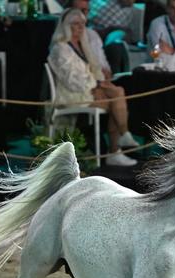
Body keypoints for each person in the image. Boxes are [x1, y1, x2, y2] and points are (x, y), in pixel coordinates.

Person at [48, 8, 139, 166]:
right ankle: (117, 146)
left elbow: (96, 70)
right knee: (117, 99)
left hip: (88, 91)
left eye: (83, 23)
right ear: (66, 26)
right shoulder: (59, 49)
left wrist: (99, 84)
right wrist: (95, 85)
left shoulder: (83, 46)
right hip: (71, 95)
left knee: (118, 92)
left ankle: (119, 144)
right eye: (76, 24)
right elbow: (71, 79)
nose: (80, 27)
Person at [67, 0, 114, 79]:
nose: (84, 14)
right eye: (81, 10)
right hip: (85, 82)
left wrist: (106, 73)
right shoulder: (62, 43)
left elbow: (105, 65)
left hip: (102, 81)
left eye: (86, 10)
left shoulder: (93, 35)